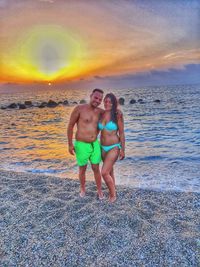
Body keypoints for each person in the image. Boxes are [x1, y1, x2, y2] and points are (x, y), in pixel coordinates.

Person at [67, 88, 104, 199]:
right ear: (91, 95)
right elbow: (70, 126)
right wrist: (70, 144)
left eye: (100, 99)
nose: (97, 101)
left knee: (96, 168)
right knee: (82, 168)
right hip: (81, 144)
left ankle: (99, 191)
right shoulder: (79, 109)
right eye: (96, 97)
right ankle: (83, 189)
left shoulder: (101, 112)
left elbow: (112, 114)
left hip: (95, 144)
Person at [98, 93, 125, 202]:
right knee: (109, 171)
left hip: (114, 147)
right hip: (102, 147)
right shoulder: (101, 114)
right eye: (105, 101)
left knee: (104, 172)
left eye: (110, 102)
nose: (107, 103)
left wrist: (123, 149)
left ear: (114, 103)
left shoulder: (117, 114)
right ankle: (112, 189)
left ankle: (113, 195)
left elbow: (122, 133)